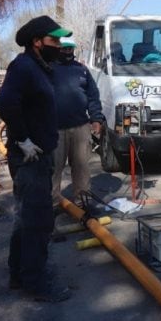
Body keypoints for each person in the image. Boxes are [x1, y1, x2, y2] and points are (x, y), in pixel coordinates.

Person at [0, 15, 72, 303]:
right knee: (37, 221)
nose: (60, 45)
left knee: (26, 219)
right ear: (37, 42)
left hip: (40, 154)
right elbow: (5, 102)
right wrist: (22, 139)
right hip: (30, 158)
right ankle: (36, 282)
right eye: (54, 40)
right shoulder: (25, 67)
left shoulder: (41, 67)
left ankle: (19, 273)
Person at [51, 37, 105, 211]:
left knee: (81, 167)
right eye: (64, 49)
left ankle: (82, 202)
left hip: (80, 126)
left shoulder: (82, 70)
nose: (67, 52)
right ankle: (52, 204)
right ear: (58, 48)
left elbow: (93, 96)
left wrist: (96, 119)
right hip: (55, 128)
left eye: (70, 49)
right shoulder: (47, 68)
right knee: (54, 167)